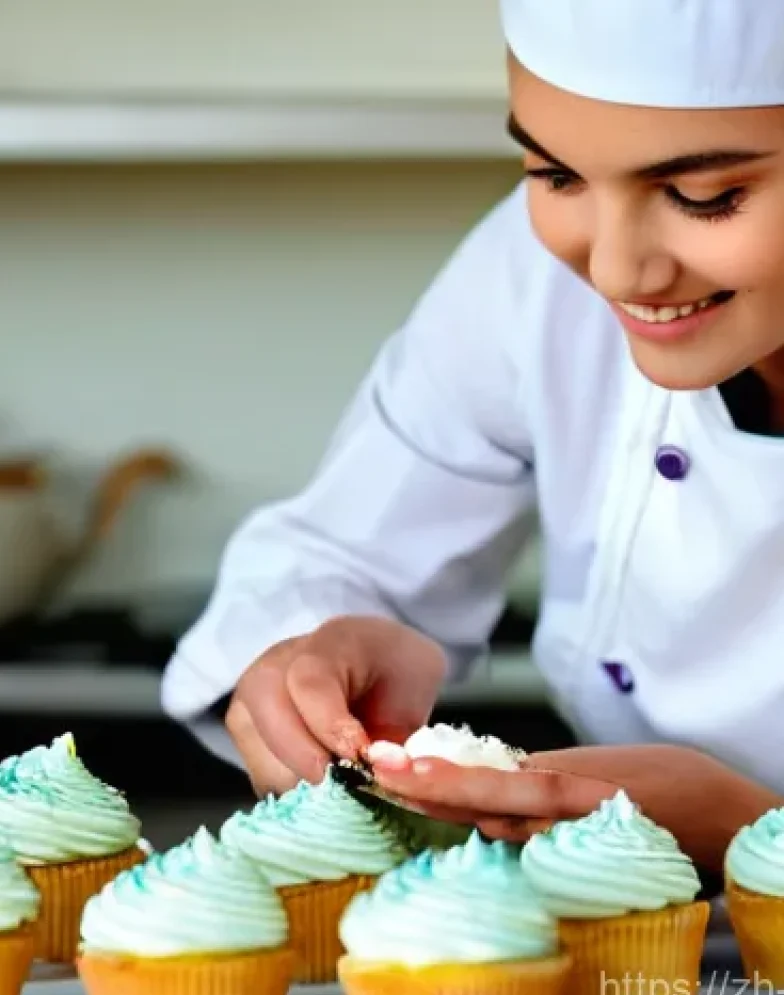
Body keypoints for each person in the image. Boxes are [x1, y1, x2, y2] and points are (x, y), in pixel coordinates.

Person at [161, 0, 784, 878]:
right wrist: (322, 655)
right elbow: (344, 547)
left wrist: (746, 825)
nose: (612, 269)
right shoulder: (529, 282)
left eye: (703, 197)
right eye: (555, 174)